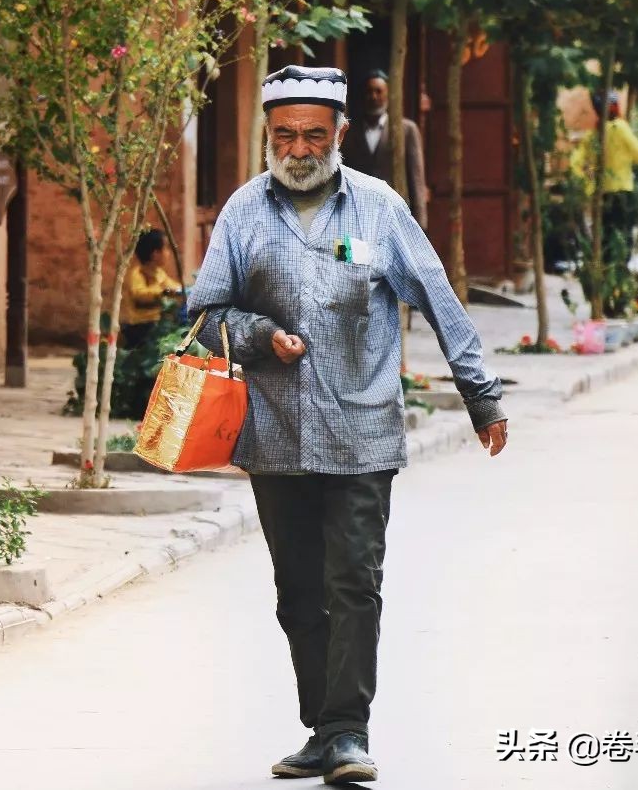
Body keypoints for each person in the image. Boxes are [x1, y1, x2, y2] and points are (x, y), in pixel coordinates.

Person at [187, 64, 509, 784]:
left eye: (312, 134)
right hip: (274, 434)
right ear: (267, 135)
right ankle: (322, 729)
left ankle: (347, 732)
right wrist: (258, 335)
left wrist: (481, 396)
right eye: (284, 135)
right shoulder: (243, 211)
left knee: (354, 583)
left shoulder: (380, 210)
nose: (298, 149)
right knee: (298, 593)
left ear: (338, 134)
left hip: (361, 431)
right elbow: (205, 316)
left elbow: (439, 300)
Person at [569, 90, 638, 271]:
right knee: (623, 240)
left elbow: (575, 163)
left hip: (602, 195)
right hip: (623, 193)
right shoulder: (620, 128)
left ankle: (606, 275)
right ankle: (620, 276)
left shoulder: (593, 135)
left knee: (606, 239)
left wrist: (588, 177)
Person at [340, 68, 429, 228]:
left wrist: (420, 223)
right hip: (358, 215)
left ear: (388, 94)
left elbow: (416, 180)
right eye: (369, 92)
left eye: (378, 91)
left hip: (395, 215)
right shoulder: (349, 132)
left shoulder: (406, 130)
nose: (373, 97)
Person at [119, 229, 183, 347]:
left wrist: (183, 290)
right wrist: (162, 293)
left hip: (157, 323)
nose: (168, 253)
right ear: (155, 254)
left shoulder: (159, 273)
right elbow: (140, 294)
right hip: (141, 327)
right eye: (166, 248)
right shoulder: (137, 274)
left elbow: (173, 286)